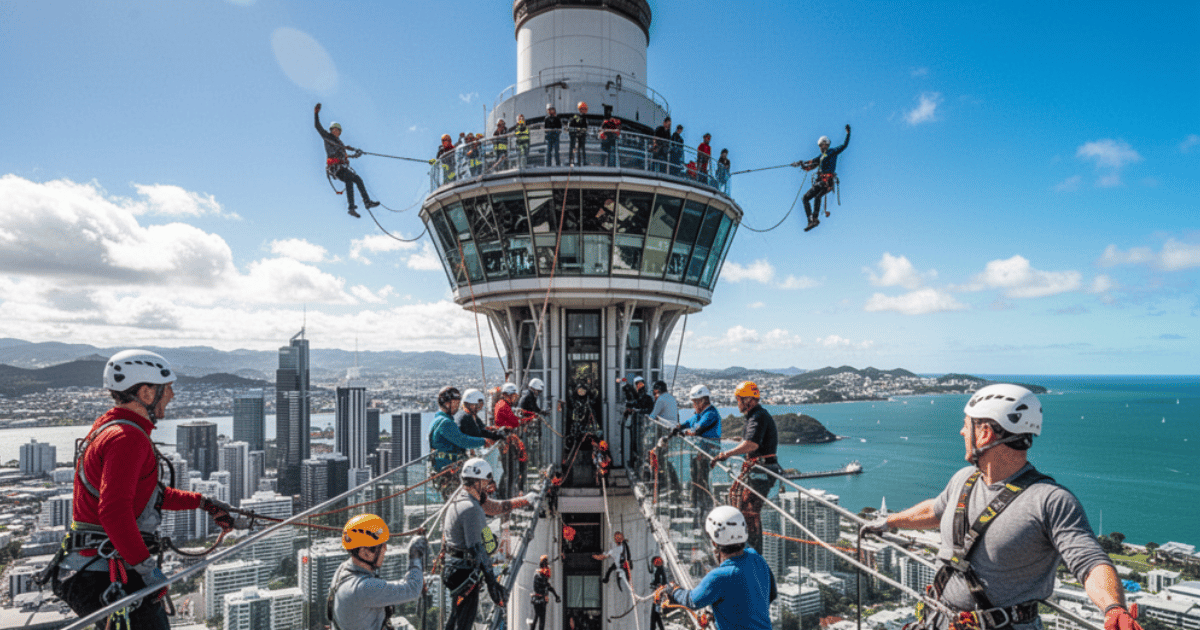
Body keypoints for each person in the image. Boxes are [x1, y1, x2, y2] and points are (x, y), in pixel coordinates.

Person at [859, 384, 1140, 630]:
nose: (960, 431)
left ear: (983, 434)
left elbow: (1090, 562)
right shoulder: (964, 479)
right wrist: (889, 522)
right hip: (938, 618)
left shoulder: (1049, 500)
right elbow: (936, 510)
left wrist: (1113, 606)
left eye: (966, 425)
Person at [48, 350, 238, 630]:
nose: (171, 395)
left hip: (93, 567)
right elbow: (114, 512)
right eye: (168, 388)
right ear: (147, 393)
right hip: (106, 570)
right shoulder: (127, 438)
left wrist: (204, 502)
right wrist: (148, 571)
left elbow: (148, 497)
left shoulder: (110, 428)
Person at [442, 459, 537, 630]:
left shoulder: (461, 499)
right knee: (462, 623)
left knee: (456, 619)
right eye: (486, 483)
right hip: (464, 572)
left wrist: (524, 500)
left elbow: (497, 507)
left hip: (455, 568)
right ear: (477, 482)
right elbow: (478, 550)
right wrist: (492, 584)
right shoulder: (472, 508)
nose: (488, 487)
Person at [666, 506, 776, 630]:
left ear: (714, 542)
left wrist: (673, 589)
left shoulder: (719, 576)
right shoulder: (756, 558)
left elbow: (692, 601)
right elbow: (771, 594)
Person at [711, 381, 780, 553]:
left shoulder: (757, 417)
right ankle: (751, 551)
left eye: (739, 400)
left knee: (749, 513)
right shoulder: (756, 415)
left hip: (761, 471)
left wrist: (727, 454)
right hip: (762, 469)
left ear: (748, 400)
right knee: (748, 511)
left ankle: (752, 552)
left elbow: (751, 444)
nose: (737, 404)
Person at [328, 514, 428, 630]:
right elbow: (413, 589)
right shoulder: (363, 587)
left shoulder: (343, 570)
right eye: (381, 546)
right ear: (365, 552)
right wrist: (415, 555)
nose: (385, 549)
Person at [315, 103, 379, 218]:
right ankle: (351, 207)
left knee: (358, 179)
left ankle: (366, 202)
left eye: (337, 130)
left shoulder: (341, 144)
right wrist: (316, 114)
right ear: (331, 130)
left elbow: (346, 157)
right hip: (335, 169)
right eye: (334, 130)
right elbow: (317, 127)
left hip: (342, 168)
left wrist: (356, 154)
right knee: (349, 179)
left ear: (340, 132)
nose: (336, 132)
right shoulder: (327, 137)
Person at [792, 124, 850, 231]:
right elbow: (811, 162)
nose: (820, 148)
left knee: (818, 196)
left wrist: (848, 133)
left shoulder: (832, 151)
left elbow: (844, 145)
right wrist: (801, 163)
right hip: (820, 182)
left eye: (821, 145)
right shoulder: (821, 157)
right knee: (805, 198)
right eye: (819, 146)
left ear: (825, 144)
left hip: (827, 181)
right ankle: (811, 221)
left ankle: (815, 218)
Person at [530, 555, 561, 630]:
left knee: (539, 618)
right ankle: (532, 627)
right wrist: (547, 595)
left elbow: (549, 586)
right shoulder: (538, 576)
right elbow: (542, 587)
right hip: (538, 600)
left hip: (542, 600)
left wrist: (556, 595)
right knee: (539, 618)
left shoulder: (542, 576)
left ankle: (532, 627)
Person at [648, 556, 669, 630]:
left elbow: (661, 583)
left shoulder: (660, 571)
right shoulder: (661, 570)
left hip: (658, 597)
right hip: (659, 596)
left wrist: (655, 585)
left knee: (654, 616)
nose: (656, 564)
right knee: (655, 615)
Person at [568, 102, 589, 166]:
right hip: (574, 135)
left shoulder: (584, 118)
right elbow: (572, 124)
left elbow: (585, 126)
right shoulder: (576, 117)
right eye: (583, 109)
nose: (584, 111)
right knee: (573, 148)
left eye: (585, 109)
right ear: (580, 109)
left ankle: (583, 161)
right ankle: (571, 161)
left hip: (581, 135)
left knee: (582, 148)